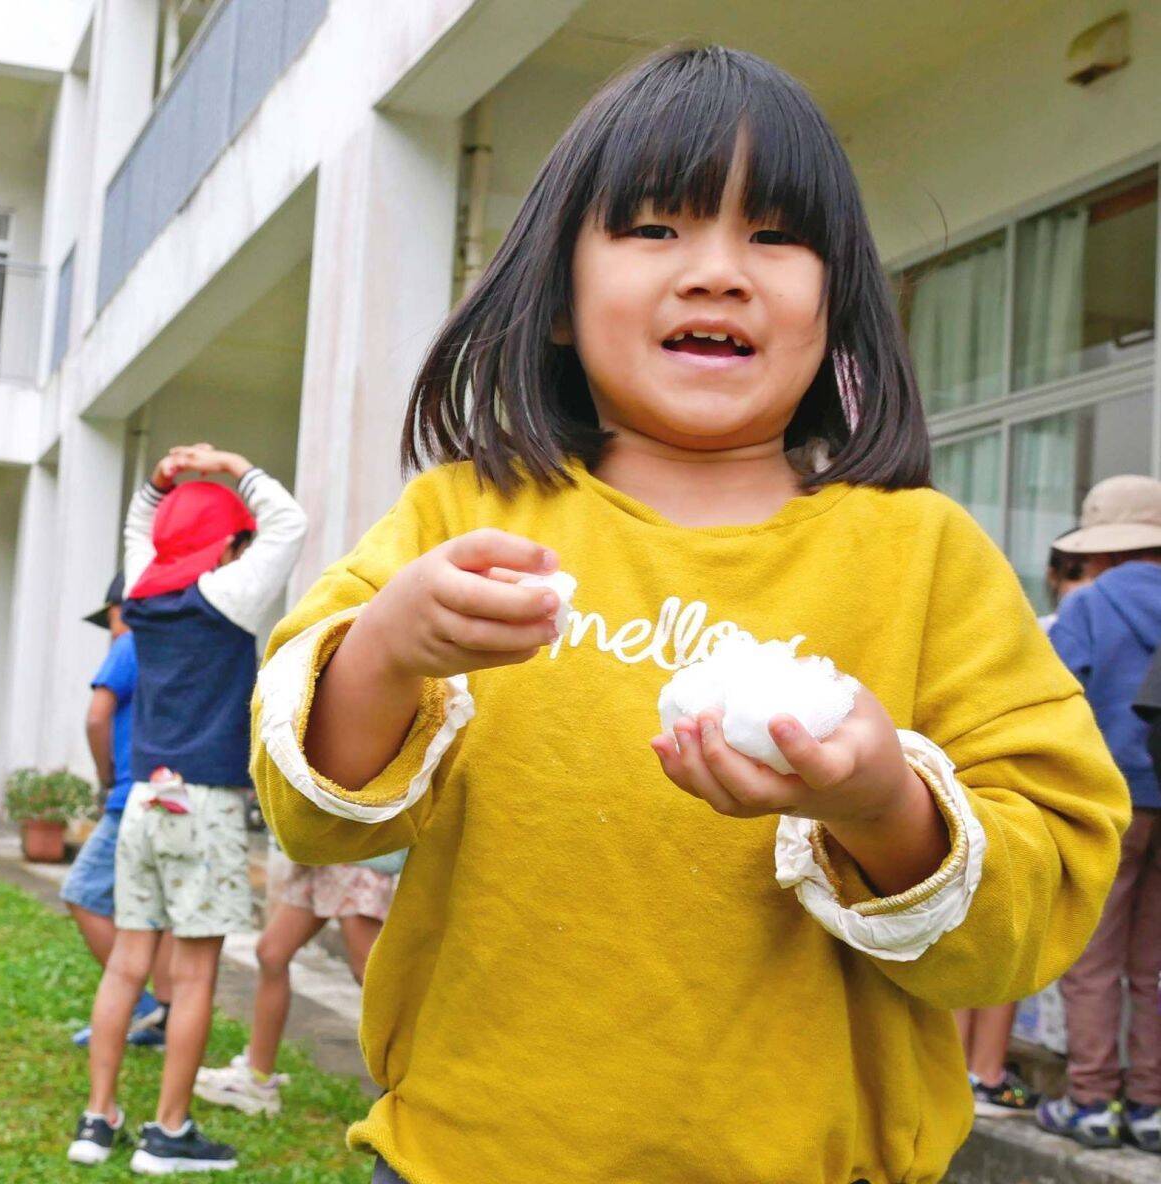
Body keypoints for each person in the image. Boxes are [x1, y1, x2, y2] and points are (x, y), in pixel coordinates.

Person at [248, 46, 1126, 1184]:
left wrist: (883, 804)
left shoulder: (922, 556)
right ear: (557, 300)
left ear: (839, 306)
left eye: (773, 234)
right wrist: (383, 651)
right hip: (468, 1156)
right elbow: (316, 819)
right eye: (655, 228)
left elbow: (1039, 894)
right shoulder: (463, 515)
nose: (718, 272)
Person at [67, 443, 307, 1173]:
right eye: (238, 541)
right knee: (195, 975)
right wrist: (234, 465)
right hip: (202, 799)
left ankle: (98, 1120)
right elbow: (289, 524)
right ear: (227, 543)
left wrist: (161, 482)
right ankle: (167, 1133)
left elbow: (143, 531)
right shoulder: (229, 594)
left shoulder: (141, 592)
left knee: (126, 967)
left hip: (143, 795)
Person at [1036, 476, 1161, 1151]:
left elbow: (1054, 703)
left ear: (1103, 550)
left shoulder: (1090, 605)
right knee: (1153, 961)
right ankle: (1149, 1105)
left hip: (1112, 800)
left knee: (1093, 956)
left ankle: (1090, 1100)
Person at [955, 539, 1097, 1116]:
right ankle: (986, 1073)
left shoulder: (1042, 624)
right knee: (1016, 937)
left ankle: (965, 1073)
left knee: (964, 931)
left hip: (971, 789)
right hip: (1043, 799)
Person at [193, 848, 398, 1116]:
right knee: (271, 954)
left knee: (374, 978)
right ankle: (258, 1079)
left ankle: (418, 1088)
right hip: (319, 855)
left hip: (355, 852)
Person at [61, 572, 173, 1049]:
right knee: (160, 910)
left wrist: (107, 777)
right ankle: (164, 1017)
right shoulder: (178, 649)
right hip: (171, 795)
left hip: (131, 797)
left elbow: (96, 717)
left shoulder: (129, 643)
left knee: (83, 892)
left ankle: (144, 1007)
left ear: (121, 609)